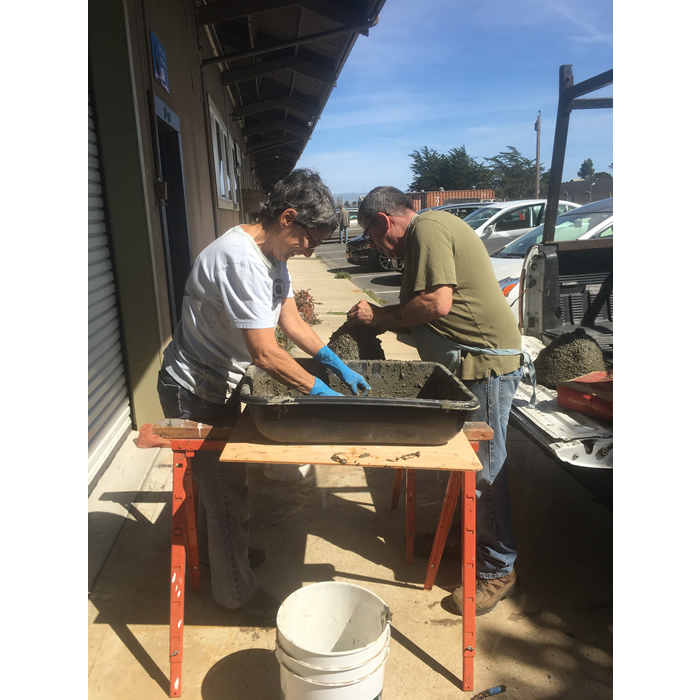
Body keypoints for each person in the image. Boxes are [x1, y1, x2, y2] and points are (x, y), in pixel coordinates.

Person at [158, 169, 370, 623]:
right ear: (287, 218)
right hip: (193, 390)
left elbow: (290, 322)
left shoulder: (273, 254)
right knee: (226, 496)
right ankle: (234, 593)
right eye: (309, 241)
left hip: (218, 381)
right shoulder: (240, 260)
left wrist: (334, 362)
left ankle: (221, 558)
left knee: (220, 490)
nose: (309, 250)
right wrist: (318, 392)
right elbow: (266, 352)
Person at [347, 186, 524, 617]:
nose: (374, 245)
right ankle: (466, 540)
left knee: (483, 471)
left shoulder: (427, 227)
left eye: (371, 235)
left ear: (384, 220)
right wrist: (383, 321)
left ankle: (497, 568)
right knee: (461, 467)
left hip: (483, 367)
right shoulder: (421, 241)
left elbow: (436, 304)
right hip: (464, 366)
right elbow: (423, 315)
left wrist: (379, 315)